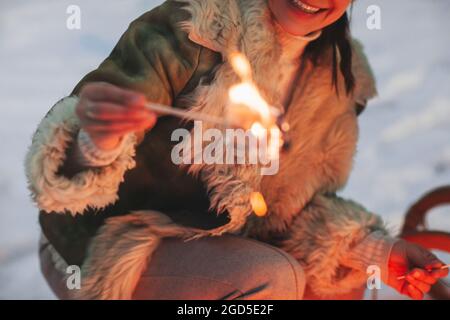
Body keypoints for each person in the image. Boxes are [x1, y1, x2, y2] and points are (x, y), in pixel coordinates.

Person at [26, 0, 448, 300]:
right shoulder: (192, 29)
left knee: (336, 285)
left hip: (225, 248)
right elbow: (64, 182)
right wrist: (98, 141)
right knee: (268, 280)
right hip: (104, 247)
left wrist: (377, 253)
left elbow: (294, 212)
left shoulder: (340, 77)